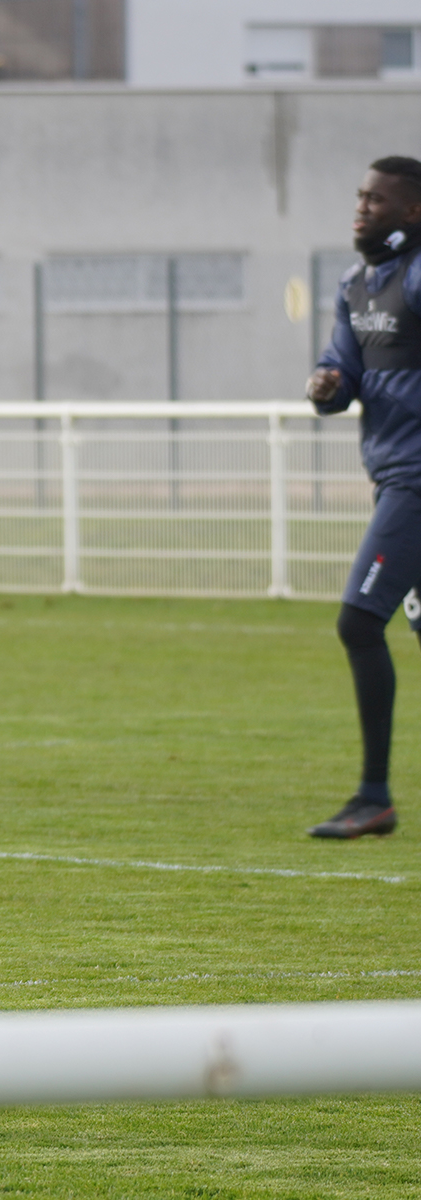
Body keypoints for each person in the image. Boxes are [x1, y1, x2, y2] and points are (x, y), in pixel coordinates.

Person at [306, 155, 421, 839]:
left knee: (358, 621)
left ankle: (373, 795)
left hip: (417, 480)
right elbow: (341, 374)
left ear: (412, 212)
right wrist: (325, 384)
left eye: (376, 199)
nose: (361, 207)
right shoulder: (357, 284)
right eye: (359, 196)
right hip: (393, 476)